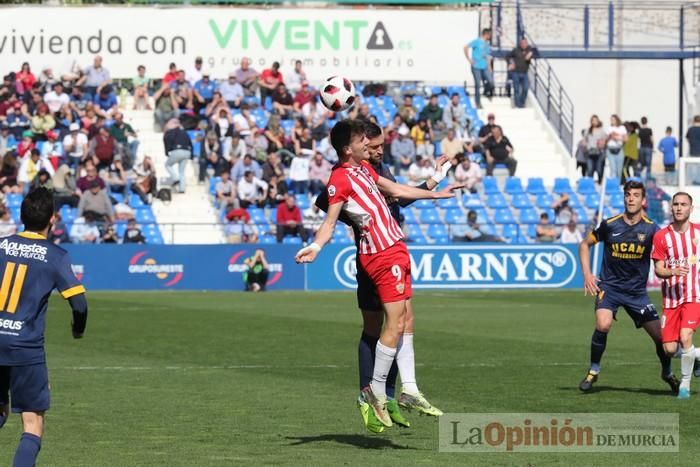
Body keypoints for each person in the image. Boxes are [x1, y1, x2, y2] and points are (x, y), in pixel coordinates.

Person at [297, 119, 456, 430]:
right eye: (367, 143)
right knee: (385, 326)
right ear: (350, 147)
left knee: (403, 321)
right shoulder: (340, 178)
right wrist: (317, 245)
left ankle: (401, 391)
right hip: (377, 253)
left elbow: (397, 190)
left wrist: (437, 189)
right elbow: (329, 214)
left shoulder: (366, 170)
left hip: (392, 248)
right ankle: (374, 393)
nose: (373, 148)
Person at [0, 187, 88, 467]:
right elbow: (80, 305)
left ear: (21, 215)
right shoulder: (55, 255)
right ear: (53, 219)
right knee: (33, 421)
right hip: (25, 347)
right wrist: (78, 329)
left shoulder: (1, 245)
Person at [578, 180, 678, 393]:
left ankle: (667, 372)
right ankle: (594, 370)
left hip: (637, 293)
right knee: (603, 324)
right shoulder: (610, 224)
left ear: (643, 201)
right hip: (610, 289)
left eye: (635, 195)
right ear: (624, 198)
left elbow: (665, 256)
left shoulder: (652, 229)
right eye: (628, 195)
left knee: (661, 338)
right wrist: (587, 274)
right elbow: (585, 245)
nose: (631, 199)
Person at [652, 192, 700, 399]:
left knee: (685, 336)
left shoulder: (699, 233)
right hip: (671, 299)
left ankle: (684, 387)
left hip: (693, 295)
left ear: (691, 208)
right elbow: (658, 270)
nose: (679, 208)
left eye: (684, 204)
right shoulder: (661, 236)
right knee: (670, 349)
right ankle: (695, 356)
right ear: (671, 208)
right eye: (676, 204)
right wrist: (673, 271)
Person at [464, 28, 494, 109]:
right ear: (486, 34)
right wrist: (469, 59)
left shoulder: (487, 44)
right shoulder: (477, 41)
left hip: (484, 66)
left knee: (491, 81)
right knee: (478, 84)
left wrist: (490, 67)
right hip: (476, 66)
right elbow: (466, 47)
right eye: (489, 34)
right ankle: (478, 102)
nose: (490, 36)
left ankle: (486, 92)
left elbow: (488, 57)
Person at [163, 119, 192, 194]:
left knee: (167, 165)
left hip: (177, 150)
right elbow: (190, 143)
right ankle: (182, 188)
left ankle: (175, 178)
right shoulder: (185, 132)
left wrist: (167, 152)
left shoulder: (171, 132)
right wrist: (191, 155)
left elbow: (167, 141)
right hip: (187, 152)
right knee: (182, 171)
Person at [507, 37, 534, 108]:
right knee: (516, 89)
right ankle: (517, 105)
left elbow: (535, 53)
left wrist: (530, 54)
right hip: (516, 72)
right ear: (520, 44)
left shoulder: (529, 50)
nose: (523, 44)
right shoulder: (516, 50)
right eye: (522, 43)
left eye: (525, 43)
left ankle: (521, 102)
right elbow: (507, 56)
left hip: (524, 73)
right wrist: (511, 63)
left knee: (525, 88)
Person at [606, 114, 627, 183]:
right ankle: (613, 186)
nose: (612, 121)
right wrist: (610, 136)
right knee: (613, 169)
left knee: (619, 170)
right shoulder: (609, 128)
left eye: (613, 119)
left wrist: (617, 137)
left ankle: (617, 185)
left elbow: (626, 139)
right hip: (610, 149)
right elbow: (606, 140)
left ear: (617, 120)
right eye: (611, 119)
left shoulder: (622, 128)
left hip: (619, 149)